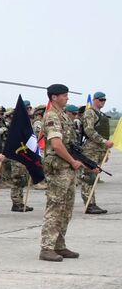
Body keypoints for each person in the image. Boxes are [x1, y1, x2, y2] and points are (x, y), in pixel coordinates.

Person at [40, 84, 85, 261]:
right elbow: (57, 145)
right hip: (59, 169)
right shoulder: (51, 117)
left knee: (66, 209)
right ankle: (46, 247)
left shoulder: (63, 117)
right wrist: (73, 161)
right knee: (55, 208)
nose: (67, 98)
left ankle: (59, 245)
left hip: (66, 170)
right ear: (54, 97)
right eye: (64, 95)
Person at [79, 92, 111, 214]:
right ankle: (89, 205)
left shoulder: (101, 114)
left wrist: (106, 149)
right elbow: (89, 130)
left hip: (100, 149)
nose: (102, 102)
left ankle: (92, 203)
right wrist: (103, 141)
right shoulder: (89, 112)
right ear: (94, 100)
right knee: (89, 176)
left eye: (104, 100)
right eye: (100, 100)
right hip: (91, 149)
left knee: (94, 176)